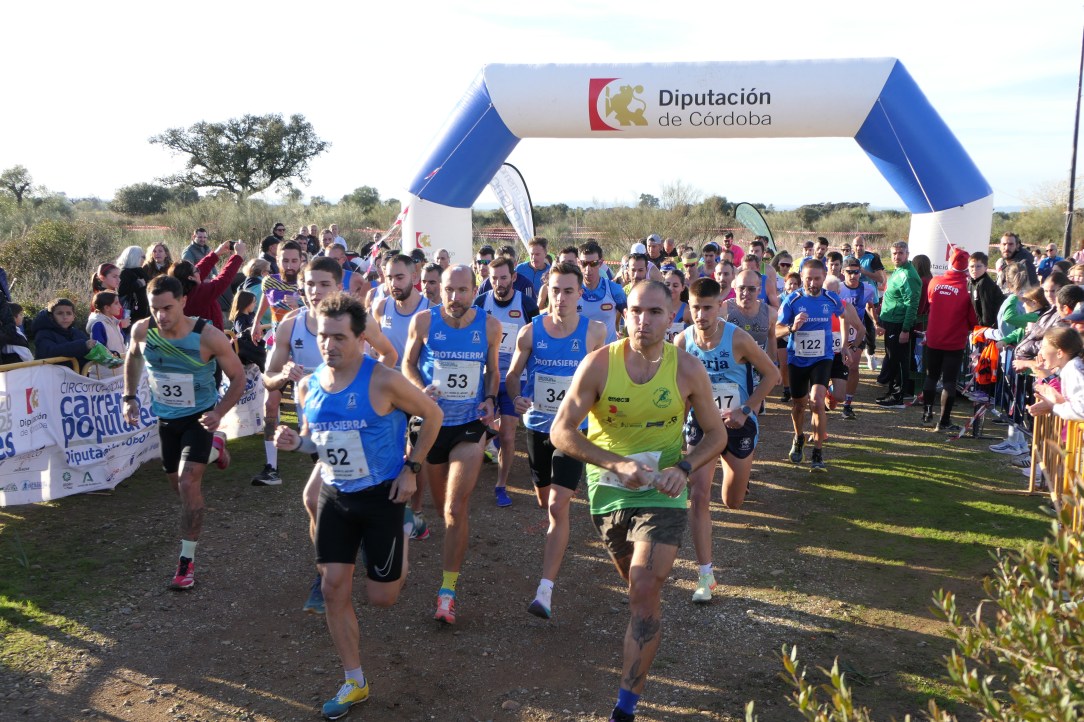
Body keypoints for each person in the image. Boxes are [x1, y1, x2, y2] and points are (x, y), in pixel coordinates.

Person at [549, 280, 725, 722]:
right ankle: (645, 621)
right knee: (636, 587)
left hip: (663, 492)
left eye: (654, 312)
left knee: (645, 587)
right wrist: (616, 463)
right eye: (635, 311)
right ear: (623, 314)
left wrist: (684, 467)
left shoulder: (686, 369)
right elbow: (560, 431)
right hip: (609, 492)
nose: (643, 321)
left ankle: (624, 708)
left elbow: (716, 434)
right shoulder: (598, 365)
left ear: (672, 316)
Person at [272, 292, 442, 720]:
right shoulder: (308, 385)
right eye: (323, 337)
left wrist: (412, 469)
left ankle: (404, 529)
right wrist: (294, 443)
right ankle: (354, 680)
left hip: (383, 496)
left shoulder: (383, 380)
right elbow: (315, 442)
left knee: (382, 597)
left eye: (339, 338)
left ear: (361, 338)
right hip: (335, 495)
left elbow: (432, 415)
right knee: (333, 587)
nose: (328, 345)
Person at [123, 275, 245, 589]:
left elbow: (238, 377)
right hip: (167, 420)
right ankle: (216, 449)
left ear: (183, 302)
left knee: (189, 483)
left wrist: (218, 413)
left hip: (199, 418)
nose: (161, 315)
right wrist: (129, 397)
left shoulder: (208, 336)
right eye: (155, 308)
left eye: (167, 308)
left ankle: (186, 563)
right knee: (177, 485)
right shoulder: (142, 330)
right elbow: (132, 357)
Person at [505, 262, 606, 618]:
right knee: (543, 498)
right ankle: (555, 527)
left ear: (580, 294)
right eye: (555, 290)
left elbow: (604, 379)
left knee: (557, 505)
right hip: (538, 427)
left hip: (574, 432)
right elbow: (513, 375)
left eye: (568, 291)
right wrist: (516, 397)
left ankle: (545, 590)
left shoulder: (595, 332)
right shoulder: (530, 332)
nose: (560, 298)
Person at [403, 264, 500, 624]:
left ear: (475, 291)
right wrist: (419, 390)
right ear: (439, 289)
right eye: (448, 290)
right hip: (433, 425)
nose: (454, 298)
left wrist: (490, 399)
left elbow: (493, 371)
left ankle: (447, 593)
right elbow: (407, 364)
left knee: (456, 509)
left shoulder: (489, 326)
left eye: (462, 290)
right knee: (441, 507)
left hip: (470, 426)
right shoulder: (424, 322)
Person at [678, 278, 779, 603]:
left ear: (721, 307)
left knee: (732, 502)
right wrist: (677, 427)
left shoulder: (738, 338)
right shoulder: (682, 341)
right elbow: (680, 391)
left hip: (738, 425)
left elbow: (773, 375)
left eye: (708, 308)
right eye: (696, 308)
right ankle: (705, 575)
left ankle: (737, 477)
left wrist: (746, 410)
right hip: (702, 427)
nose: (701, 315)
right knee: (699, 494)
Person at [474, 257, 540, 507]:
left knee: (509, 435)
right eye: (494, 278)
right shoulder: (481, 302)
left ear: (513, 277)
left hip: (515, 379)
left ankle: (501, 485)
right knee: (479, 432)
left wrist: (532, 378)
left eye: (503, 278)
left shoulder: (527, 304)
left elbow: (535, 341)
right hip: (487, 377)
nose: (499, 283)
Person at [778, 259, 846, 471]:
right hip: (797, 359)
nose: (813, 283)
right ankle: (799, 437)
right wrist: (792, 327)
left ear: (824, 277)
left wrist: (845, 344)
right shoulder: (792, 300)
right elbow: (776, 330)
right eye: (808, 278)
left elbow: (845, 317)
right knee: (799, 405)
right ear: (801, 277)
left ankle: (818, 452)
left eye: (817, 278)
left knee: (816, 401)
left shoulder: (831, 298)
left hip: (822, 357)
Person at [251, 240, 304, 486]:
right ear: (277, 260)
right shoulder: (269, 281)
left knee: (307, 409)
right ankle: (271, 467)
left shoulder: (307, 284)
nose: (290, 265)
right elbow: (266, 300)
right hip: (277, 349)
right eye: (285, 260)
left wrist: (301, 304)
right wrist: (256, 322)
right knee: (270, 404)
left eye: (294, 260)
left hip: (305, 349)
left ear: (301, 260)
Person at [875, 241, 921, 408]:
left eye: (900, 253)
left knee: (898, 360)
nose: (897, 256)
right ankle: (893, 392)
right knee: (892, 359)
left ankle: (897, 396)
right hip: (891, 321)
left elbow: (912, 304)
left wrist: (905, 329)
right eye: (894, 253)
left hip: (899, 324)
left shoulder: (908, 275)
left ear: (907, 254)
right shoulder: (898, 270)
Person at [837, 255, 879, 418]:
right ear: (843, 272)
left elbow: (870, 305)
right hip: (837, 333)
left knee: (853, 367)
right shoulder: (837, 288)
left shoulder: (868, 289)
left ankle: (847, 404)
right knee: (836, 367)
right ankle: (831, 394)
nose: (853, 275)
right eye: (849, 272)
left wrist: (875, 322)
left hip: (857, 333)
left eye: (856, 272)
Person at [1028, 326, 1084, 421]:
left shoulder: (1073, 370)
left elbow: (1081, 410)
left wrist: (1053, 407)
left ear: (1059, 353)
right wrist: (1056, 402)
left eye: (1044, 347)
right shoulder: (1069, 368)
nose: (1040, 352)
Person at [578, 241, 627, 344]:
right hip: (579, 351)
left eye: (593, 263)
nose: (588, 269)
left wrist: (625, 338)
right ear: (578, 263)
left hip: (608, 351)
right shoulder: (572, 289)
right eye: (584, 263)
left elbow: (630, 317)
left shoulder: (614, 289)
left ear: (600, 263)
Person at [31, 298, 96, 367]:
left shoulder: (77, 333)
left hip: (75, 373)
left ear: (74, 316)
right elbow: (50, 352)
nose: (65, 317)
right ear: (51, 316)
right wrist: (83, 346)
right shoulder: (43, 333)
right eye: (60, 313)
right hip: (50, 372)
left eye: (69, 313)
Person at [85, 291, 127, 376]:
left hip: (117, 373)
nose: (120, 306)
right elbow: (99, 349)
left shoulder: (115, 323)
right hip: (105, 376)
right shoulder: (98, 324)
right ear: (107, 307)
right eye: (116, 303)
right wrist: (113, 355)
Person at [968, 251, 1005, 328]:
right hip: (977, 325)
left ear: (985, 268)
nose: (974, 269)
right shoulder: (970, 282)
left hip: (991, 326)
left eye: (978, 266)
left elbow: (987, 311)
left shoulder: (985, 283)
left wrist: (984, 329)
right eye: (972, 266)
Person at [116, 246, 150, 323]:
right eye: (143, 257)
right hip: (131, 312)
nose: (145, 259)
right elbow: (121, 291)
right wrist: (138, 284)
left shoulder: (140, 271)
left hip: (144, 310)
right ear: (135, 257)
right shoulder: (124, 273)